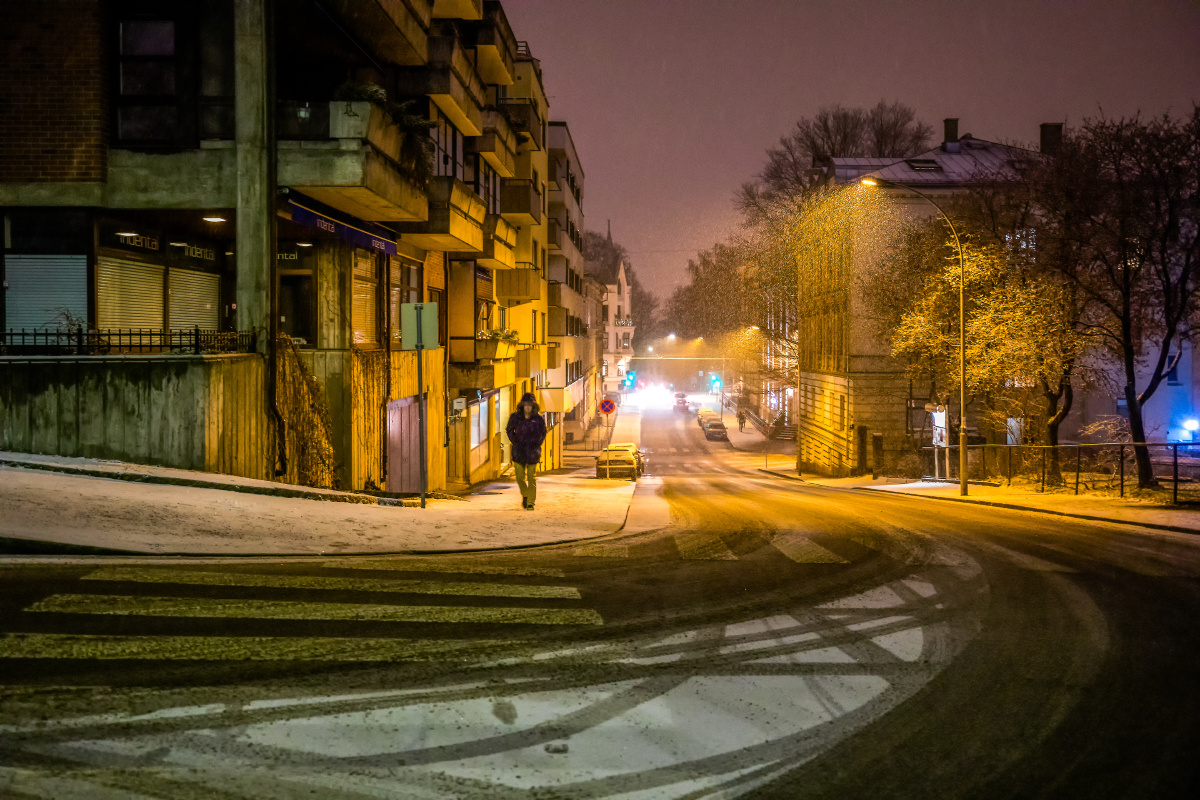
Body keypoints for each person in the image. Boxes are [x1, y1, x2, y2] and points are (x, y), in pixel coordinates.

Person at [506, 392, 548, 510]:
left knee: (531, 477)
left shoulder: (538, 419)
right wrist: (515, 441)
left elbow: (543, 433)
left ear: (533, 406)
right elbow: (509, 430)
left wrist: (537, 443)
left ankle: (530, 503)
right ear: (522, 406)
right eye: (526, 405)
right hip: (519, 451)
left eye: (530, 405)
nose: (528, 407)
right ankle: (525, 494)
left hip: (532, 452)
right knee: (519, 477)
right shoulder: (515, 417)